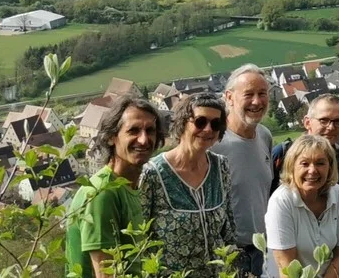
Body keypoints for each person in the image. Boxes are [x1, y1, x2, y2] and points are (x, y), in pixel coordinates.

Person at [138, 93, 236, 278]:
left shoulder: (221, 166)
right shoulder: (152, 174)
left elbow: (228, 228)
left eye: (215, 124)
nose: (207, 129)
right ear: (183, 123)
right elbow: (139, 240)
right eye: (200, 122)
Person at [65, 96, 164, 278]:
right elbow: (107, 274)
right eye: (133, 130)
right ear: (111, 137)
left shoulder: (129, 187)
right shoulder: (102, 193)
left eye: (150, 131)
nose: (143, 140)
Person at [211, 63, 274, 277]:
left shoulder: (264, 136)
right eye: (249, 94)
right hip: (230, 254)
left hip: (263, 249)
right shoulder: (214, 144)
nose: (257, 102)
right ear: (229, 98)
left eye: (262, 93)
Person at [264, 135, 339, 278]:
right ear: (291, 167)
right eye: (304, 164)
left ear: (330, 167)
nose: (312, 170)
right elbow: (286, 266)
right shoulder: (281, 201)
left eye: (320, 163)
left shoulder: (338, 194)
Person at [271, 94, 339, 213]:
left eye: (337, 121)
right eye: (324, 120)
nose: (331, 127)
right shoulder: (282, 155)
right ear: (307, 122)